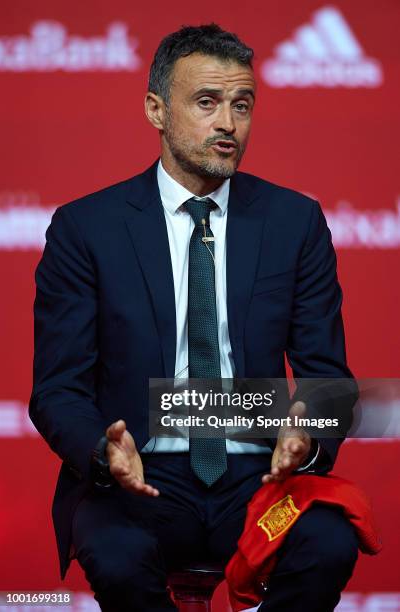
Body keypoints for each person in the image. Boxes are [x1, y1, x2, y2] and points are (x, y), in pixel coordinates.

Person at [29, 24, 359, 612]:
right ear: (156, 109)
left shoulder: (294, 222)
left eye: (242, 104)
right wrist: (106, 455)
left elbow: (328, 380)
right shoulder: (87, 229)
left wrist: (307, 437)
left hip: (261, 479)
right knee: (118, 555)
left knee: (327, 541)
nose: (228, 123)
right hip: (138, 478)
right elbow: (58, 391)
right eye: (206, 102)